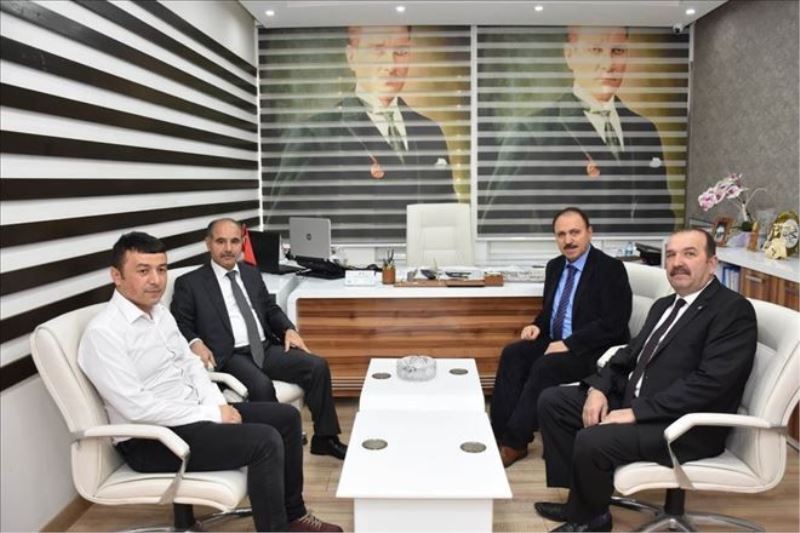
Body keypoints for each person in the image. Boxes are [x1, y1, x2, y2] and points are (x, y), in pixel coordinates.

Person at [78, 232, 342, 532]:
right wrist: (212, 414)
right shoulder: (104, 334)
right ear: (116, 276)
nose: (156, 280)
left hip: (190, 415)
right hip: (152, 439)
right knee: (265, 441)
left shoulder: (159, 314)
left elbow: (191, 365)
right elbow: (137, 407)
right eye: (143, 271)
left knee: (286, 418)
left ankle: (293, 515)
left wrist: (217, 404)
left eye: (161, 269)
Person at [534, 228, 757, 532]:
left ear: (712, 263)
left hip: (684, 425)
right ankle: (580, 502)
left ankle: (590, 520)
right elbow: (627, 355)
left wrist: (637, 412)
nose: (677, 263)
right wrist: (599, 388)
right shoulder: (665, 305)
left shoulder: (732, 310)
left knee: (593, 439)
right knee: (554, 402)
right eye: (671, 255)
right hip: (642, 404)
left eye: (689, 254)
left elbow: (710, 384)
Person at [170, 218, 347, 460]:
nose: (228, 248)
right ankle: (277, 446)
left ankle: (325, 439)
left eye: (234, 241)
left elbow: (270, 309)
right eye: (221, 241)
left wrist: (288, 329)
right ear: (208, 243)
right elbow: (180, 322)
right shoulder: (190, 283)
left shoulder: (251, 274)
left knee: (317, 366)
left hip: (264, 348)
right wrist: (195, 342)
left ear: (242, 243)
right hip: (231, 355)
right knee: (261, 386)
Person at [265, 25, 456, 241]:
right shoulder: (315, 136)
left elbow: (449, 219)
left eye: (401, 51)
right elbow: (283, 229)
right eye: (378, 50)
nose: (391, 65)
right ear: (352, 57)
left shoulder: (430, 131)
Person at [482, 26, 674, 235]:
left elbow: (661, 216)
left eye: (617, 51)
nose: (608, 64)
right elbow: (498, 223)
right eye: (595, 50)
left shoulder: (645, 130)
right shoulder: (531, 134)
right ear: (570, 55)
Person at [490, 207, 632, 468]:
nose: (568, 240)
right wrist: (536, 327)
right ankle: (496, 435)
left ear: (590, 233)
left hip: (593, 350)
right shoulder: (555, 266)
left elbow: (614, 323)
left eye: (575, 232)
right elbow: (551, 310)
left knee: (546, 366)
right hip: (557, 342)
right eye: (561, 234)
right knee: (513, 353)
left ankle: (515, 443)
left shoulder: (610, 269)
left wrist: (568, 344)